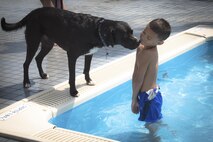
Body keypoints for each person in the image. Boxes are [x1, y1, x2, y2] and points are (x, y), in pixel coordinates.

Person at [131, 18, 171, 134]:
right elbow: (136, 71)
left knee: (151, 131)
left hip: (149, 98)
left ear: (159, 43)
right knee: (153, 122)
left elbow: (138, 79)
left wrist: (134, 100)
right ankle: (162, 125)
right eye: (144, 32)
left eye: (149, 37)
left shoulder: (147, 53)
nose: (143, 37)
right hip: (152, 94)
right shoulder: (142, 48)